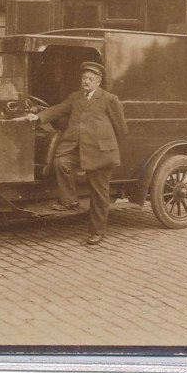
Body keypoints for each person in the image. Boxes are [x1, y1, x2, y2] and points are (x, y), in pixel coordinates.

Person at [24, 61, 128, 247]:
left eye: (90, 79)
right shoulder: (76, 97)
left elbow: (121, 129)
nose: (86, 82)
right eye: (84, 79)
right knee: (61, 163)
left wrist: (108, 147)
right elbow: (58, 109)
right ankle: (70, 200)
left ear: (98, 81)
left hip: (100, 153)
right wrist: (38, 117)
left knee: (99, 195)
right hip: (77, 149)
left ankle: (97, 232)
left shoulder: (109, 99)